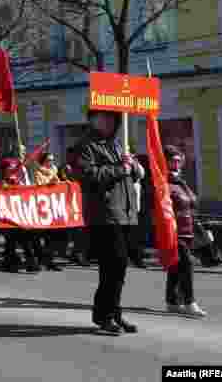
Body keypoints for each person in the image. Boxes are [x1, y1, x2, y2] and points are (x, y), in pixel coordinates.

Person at [73, 109, 143, 335]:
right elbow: (87, 174)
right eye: (106, 117)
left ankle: (114, 312)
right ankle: (104, 315)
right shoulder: (86, 145)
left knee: (119, 267)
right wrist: (118, 169)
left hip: (125, 212)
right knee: (112, 264)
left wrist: (133, 167)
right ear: (93, 119)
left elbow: (130, 174)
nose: (111, 121)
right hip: (104, 214)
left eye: (114, 118)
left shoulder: (116, 144)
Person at [165, 146, 206, 318]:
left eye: (179, 160)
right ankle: (190, 302)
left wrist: (201, 228)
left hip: (188, 229)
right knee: (187, 263)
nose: (177, 164)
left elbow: (192, 203)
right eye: (173, 160)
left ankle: (172, 301)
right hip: (174, 230)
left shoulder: (180, 181)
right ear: (165, 161)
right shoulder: (163, 182)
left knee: (175, 266)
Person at [32, 152, 64, 272]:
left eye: (52, 160)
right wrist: (50, 182)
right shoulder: (38, 172)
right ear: (43, 161)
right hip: (41, 207)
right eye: (48, 160)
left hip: (53, 206)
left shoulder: (55, 170)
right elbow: (39, 186)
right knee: (39, 235)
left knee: (52, 237)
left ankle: (49, 260)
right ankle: (40, 259)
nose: (51, 162)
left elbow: (59, 184)